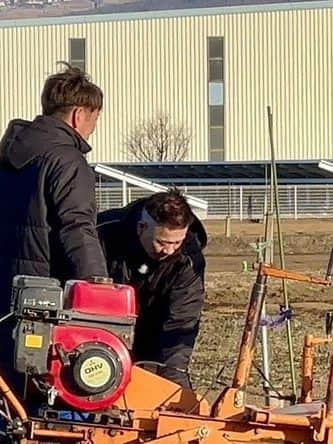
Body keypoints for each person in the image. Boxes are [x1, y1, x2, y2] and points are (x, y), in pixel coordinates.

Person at [0, 63, 107, 294]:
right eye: (95, 119)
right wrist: (97, 284)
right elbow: (77, 226)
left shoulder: (8, 155)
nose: (94, 129)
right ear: (79, 115)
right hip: (44, 293)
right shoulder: (68, 161)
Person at [97, 190, 207, 388]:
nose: (170, 251)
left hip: (154, 333)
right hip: (101, 331)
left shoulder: (189, 260)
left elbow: (181, 325)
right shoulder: (102, 234)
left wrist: (175, 385)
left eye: (177, 242)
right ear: (141, 227)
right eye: (162, 242)